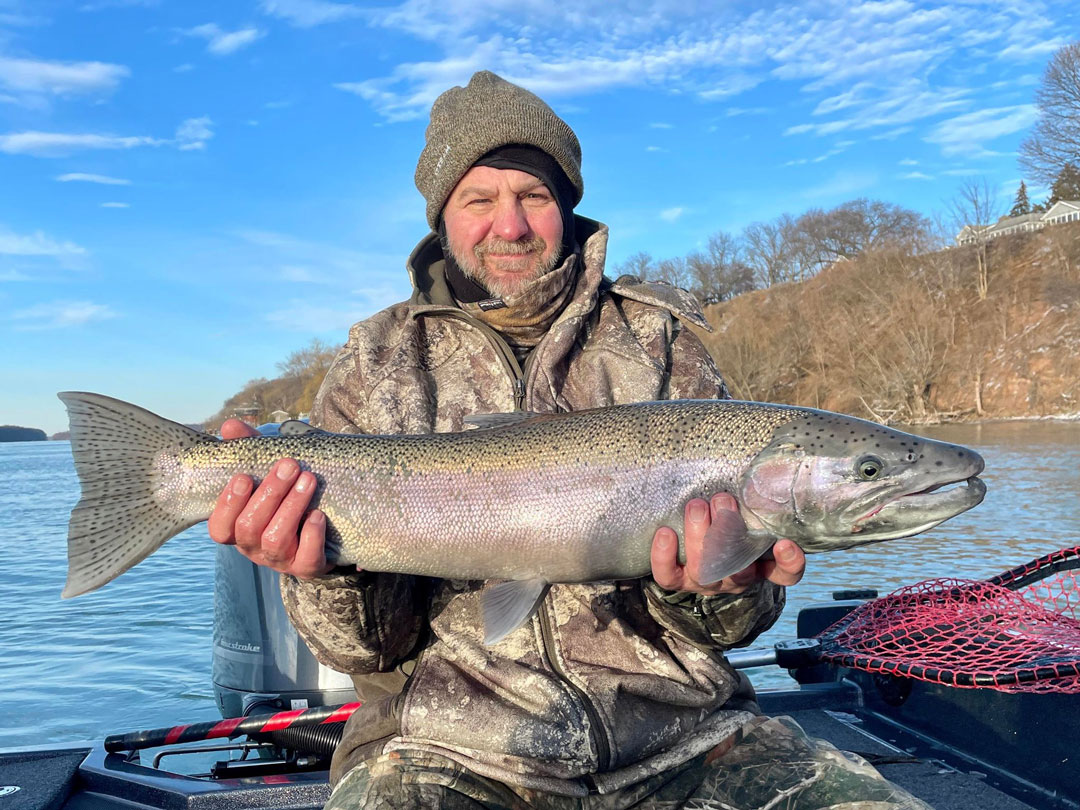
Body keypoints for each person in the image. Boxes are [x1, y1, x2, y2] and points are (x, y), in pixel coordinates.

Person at [208, 71, 931, 809]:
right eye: (479, 199)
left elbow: (733, 631)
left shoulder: (660, 339)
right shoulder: (377, 361)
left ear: (567, 207)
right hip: (445, 752)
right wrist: (318, 574)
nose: (511, 225)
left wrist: (724, 591)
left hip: (685, 739)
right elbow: (364, 652)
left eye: (534, 196)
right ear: (442, 219)